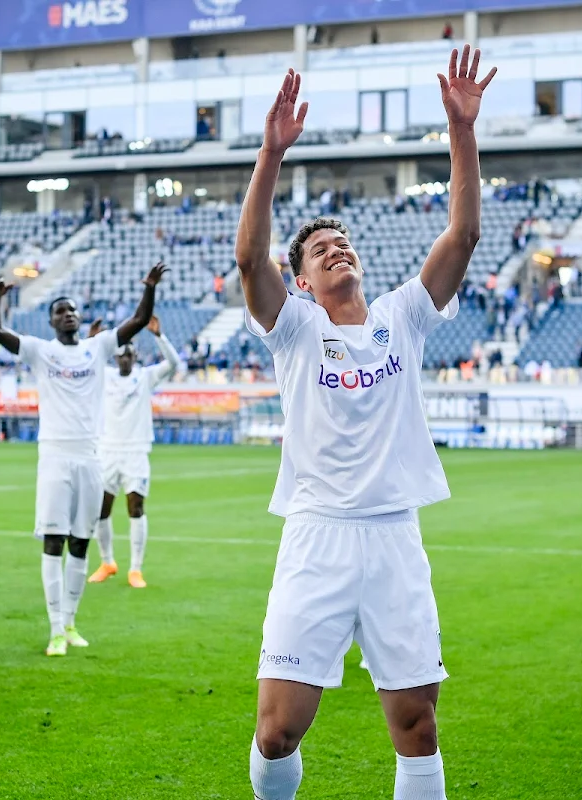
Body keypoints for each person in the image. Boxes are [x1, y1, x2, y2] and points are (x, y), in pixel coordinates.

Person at [236, 48, 496, 800]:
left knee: (417, 724)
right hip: (317, 532)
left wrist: (461, 131)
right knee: (276, 729)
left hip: (392, 534)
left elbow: (465, 235)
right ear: (305, 281)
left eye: (342, 241)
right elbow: (251, 255)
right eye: (320, 249)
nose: (336, 247)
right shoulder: (292, 329)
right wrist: (270, 152)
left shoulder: (402, 317)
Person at [0, 263, 165, 657]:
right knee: (53, 541)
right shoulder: (41, 351)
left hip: (90, 456)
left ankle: (69, 621)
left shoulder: (97, 348)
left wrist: (149, 287)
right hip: (54, 456)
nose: (67, 315)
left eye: (72, 310)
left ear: (80, 319)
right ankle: (53, 629)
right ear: (51, 320)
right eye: (59, 311)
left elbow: (136, 321)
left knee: (80, 543)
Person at [89, 314, 184, 587]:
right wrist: (92, 340)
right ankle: (107, 562)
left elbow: (174, 363)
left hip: (136, 452)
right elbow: (84, 361)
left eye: (130, 354)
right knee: (101, 510)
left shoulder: (145, 377)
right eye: (121, 354)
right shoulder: (103, 376)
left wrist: (159, 336)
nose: (126, 358)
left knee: (136, 507)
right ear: (115, 358)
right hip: (106, 451)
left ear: (135, 356)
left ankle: (135, 569)